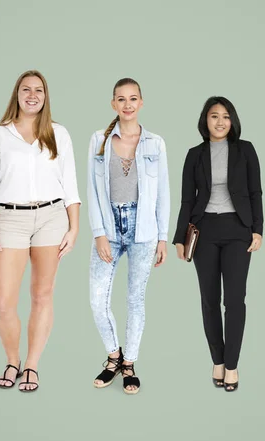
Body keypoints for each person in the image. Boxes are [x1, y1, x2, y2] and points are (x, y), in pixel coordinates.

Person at [0, 70, 81, 392]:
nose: (33, 95)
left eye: (39, 90)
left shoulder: (58, 133)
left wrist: (74, 226)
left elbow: (71, 186)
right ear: (17, 95)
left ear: (46, 95)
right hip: (9, 220)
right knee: (4, 302)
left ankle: (32, 365)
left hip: (52, 217)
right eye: (27, 89)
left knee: (42, 294)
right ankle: (13, 360)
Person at [173, 96, 263, 392]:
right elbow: (187, 198)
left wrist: (258, 230)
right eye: (214, 116)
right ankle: (218, 361)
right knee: (209, 300)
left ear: (233, 120)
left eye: (225, 116)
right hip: (205, 232)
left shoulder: (245, 150)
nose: (220, 121)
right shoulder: (194, 154)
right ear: (205, 121)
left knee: (234, 301)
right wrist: (178, 238)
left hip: (239, 230)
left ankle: (233, 365)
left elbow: (255, 192)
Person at [88, 78, 169, 395]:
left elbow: (163, 193)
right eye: (121, 99)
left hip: (144, 229)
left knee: (135, 300)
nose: (127, 104)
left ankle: (130, 364)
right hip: (109, 225)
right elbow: (92, 191)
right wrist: (99, 233)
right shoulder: (98, 140)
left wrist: (163, 237)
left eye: (133, 98)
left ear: (141, 102)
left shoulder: (156, 143)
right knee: (97, 300)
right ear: (113, 104)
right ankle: (113, 356)